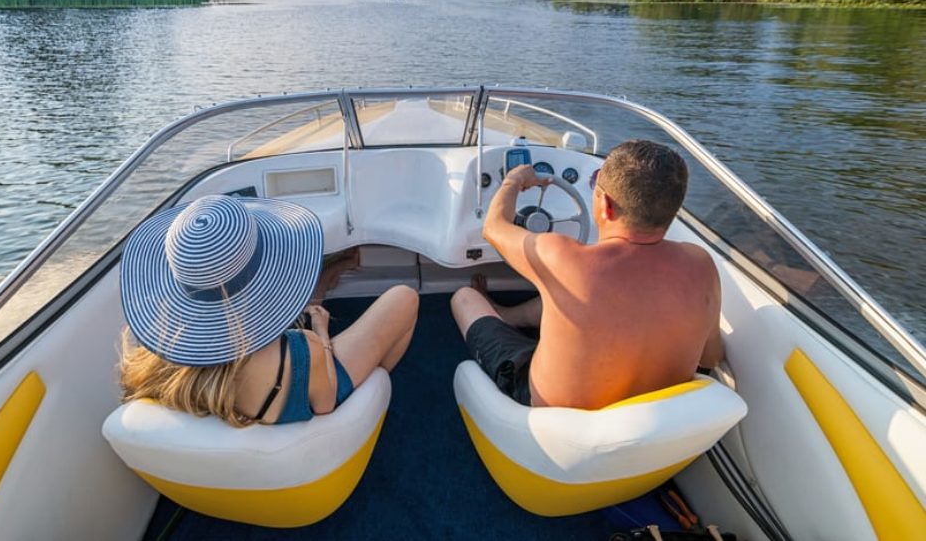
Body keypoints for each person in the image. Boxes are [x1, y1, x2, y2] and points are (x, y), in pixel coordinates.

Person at [450, 139, 723, 410]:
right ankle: (507, 316)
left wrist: (514, 180)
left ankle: (497, 317)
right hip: (656, 419)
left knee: (465, 298)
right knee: (565, 296)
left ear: (605, 204)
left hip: (552, 415)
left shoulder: (563, 258)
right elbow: (711, 357)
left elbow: (494, 227)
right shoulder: (702, 265)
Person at [119, 194, 418, 426]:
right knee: (404, 298)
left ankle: (328, 276)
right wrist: (322, 336)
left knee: (305, 308)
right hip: (305, 386)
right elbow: (325, 403)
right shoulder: (305, 351)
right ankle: (375, 378)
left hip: (256, 393)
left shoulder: (153, 357)